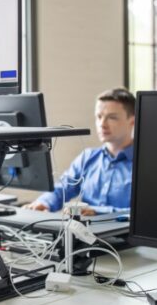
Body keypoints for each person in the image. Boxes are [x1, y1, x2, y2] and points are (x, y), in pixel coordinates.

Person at [23, 88, 136, 216]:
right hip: (84, 234)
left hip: (122, 235)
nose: (102, 124)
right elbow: (62, 188)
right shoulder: (88, 157)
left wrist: (98, 212)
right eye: (99, 117)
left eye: (112, 118)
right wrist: (44, 203)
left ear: (132, 121)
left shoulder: (146, 165)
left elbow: (146, 213)